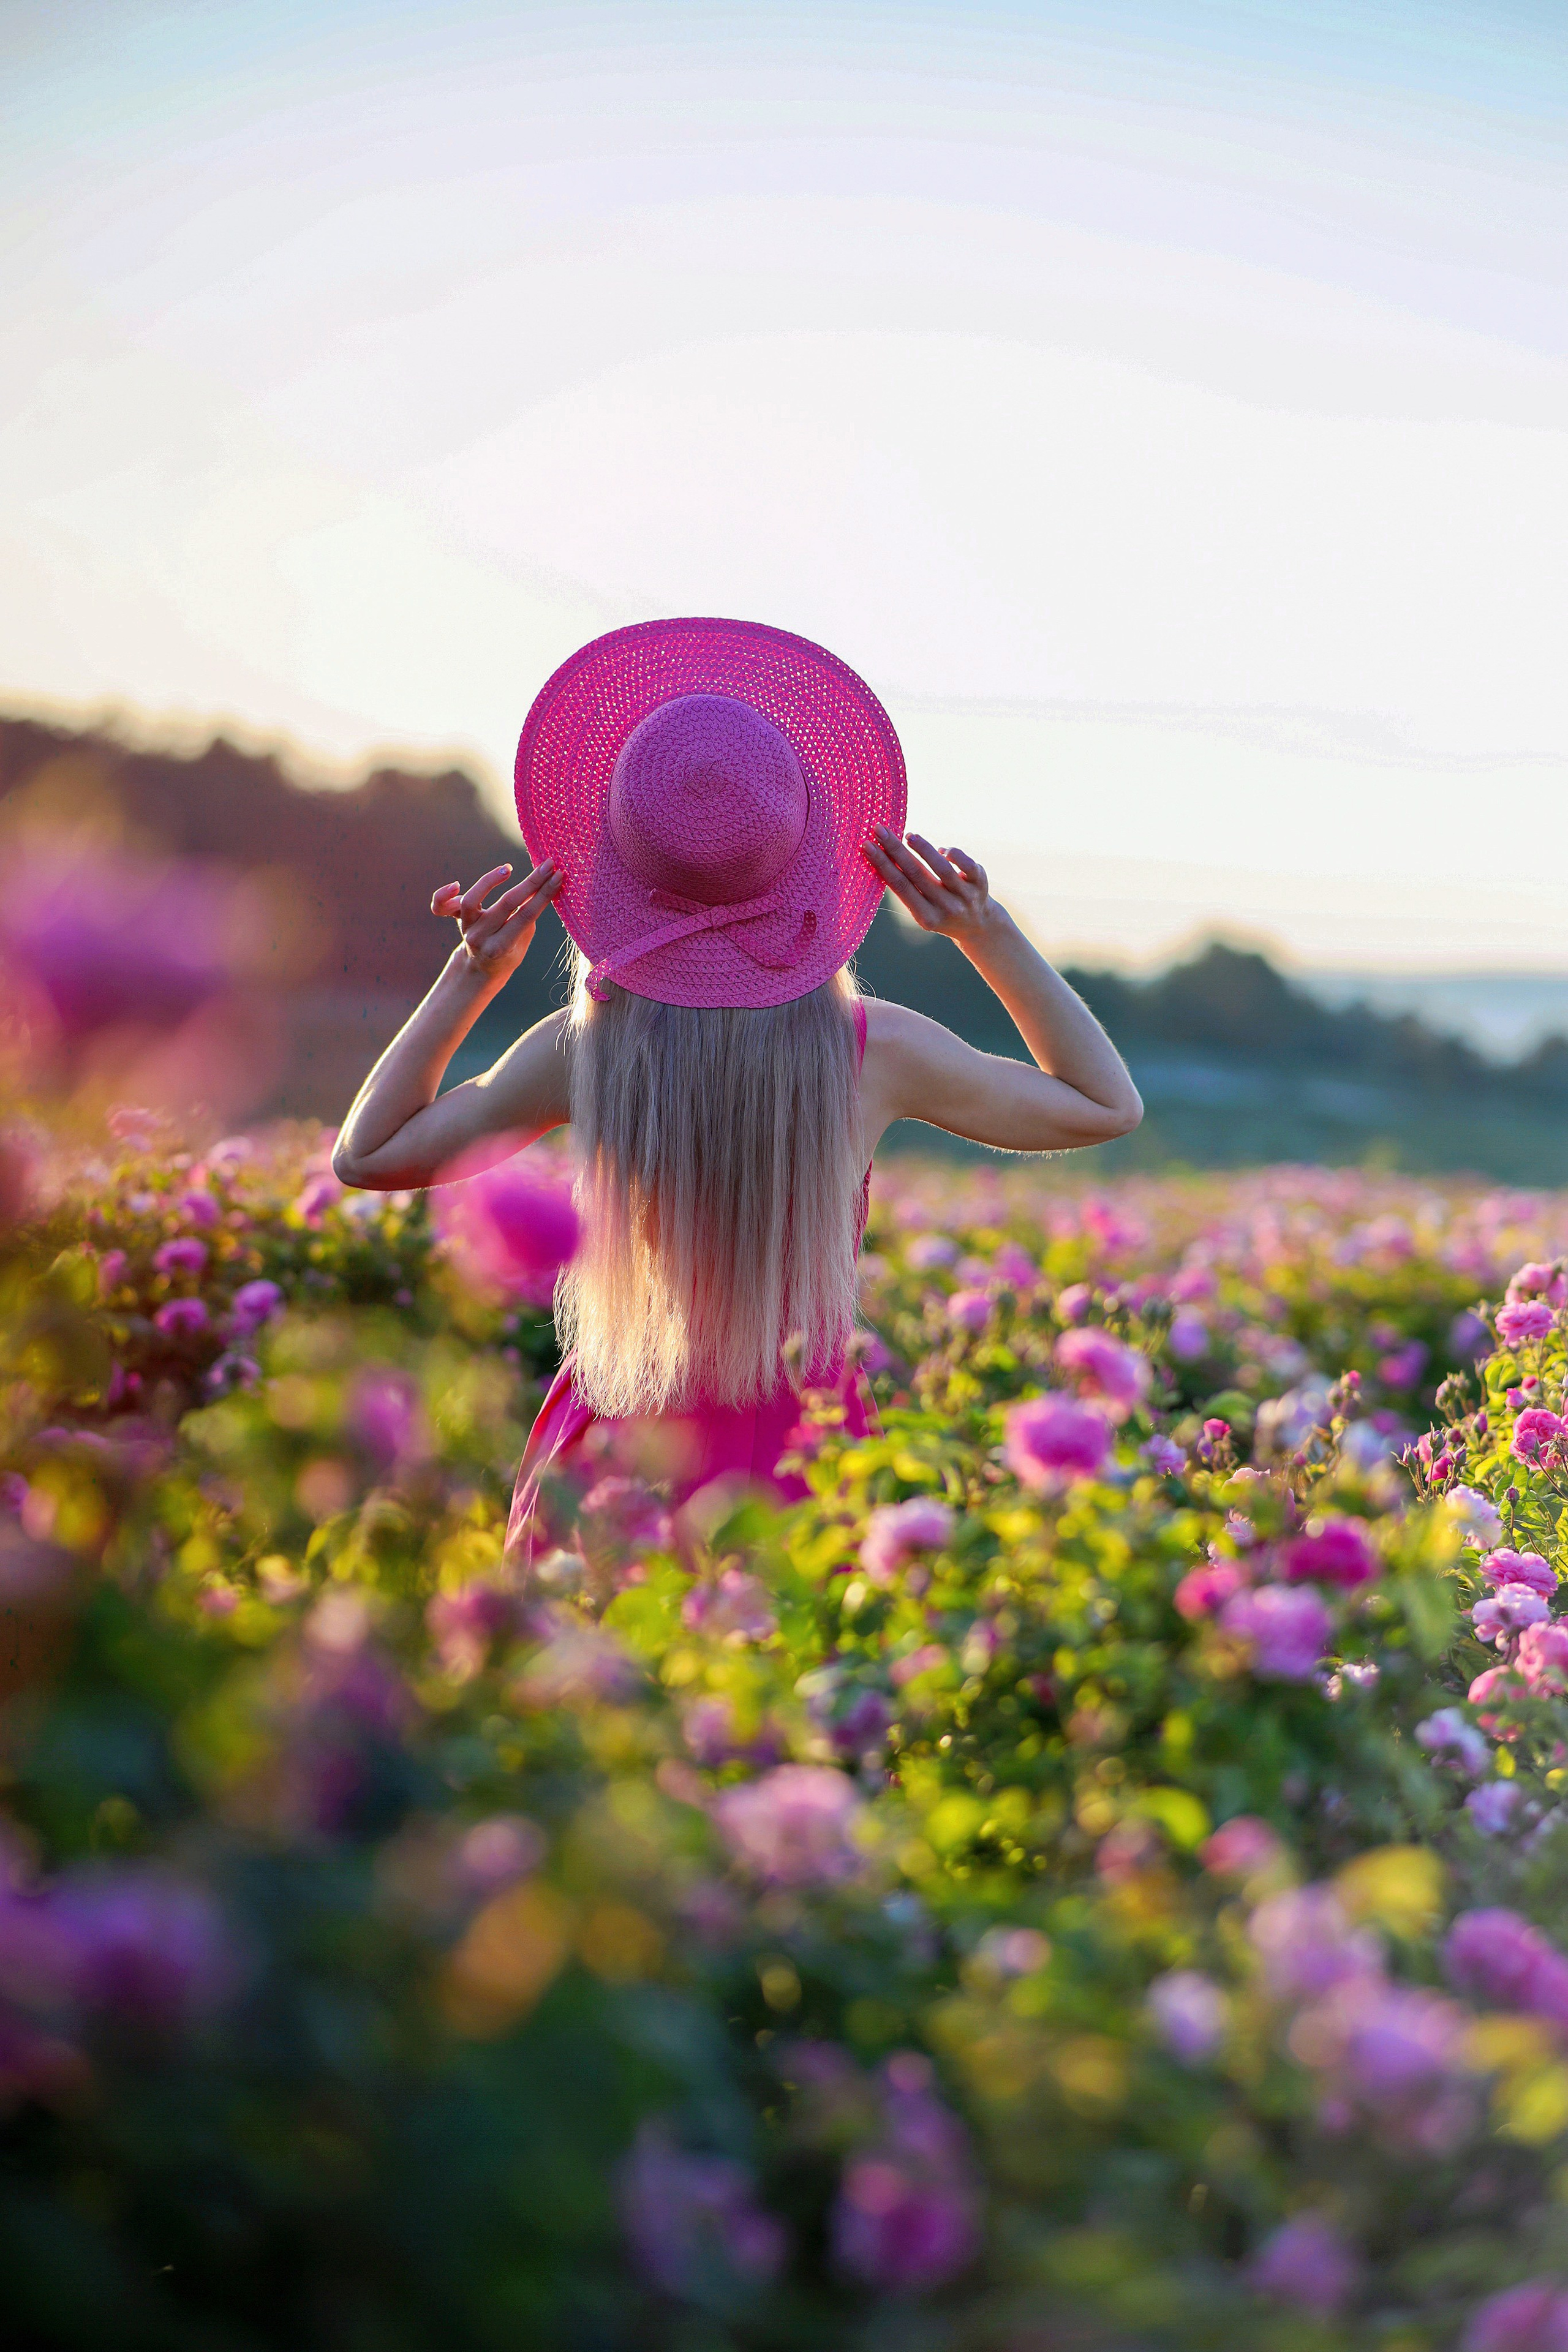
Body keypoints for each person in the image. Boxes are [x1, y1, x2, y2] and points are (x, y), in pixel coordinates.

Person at [332, 617, 1141, 1552]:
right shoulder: (871, 1051)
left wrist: (472, 976)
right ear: (810, 856)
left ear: (618, 859)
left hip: (614, 1461)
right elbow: (1105, 1103)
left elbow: (369, 1154)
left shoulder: (586, 1050)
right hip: (807, 1469)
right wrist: (984, 933)